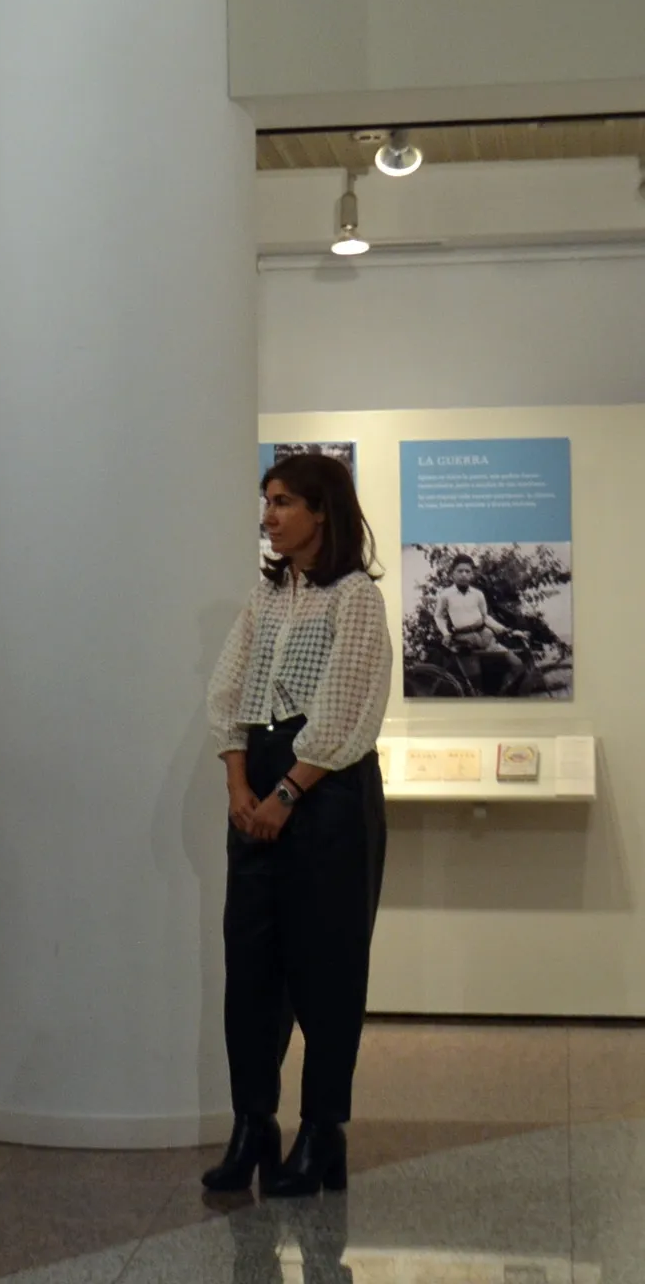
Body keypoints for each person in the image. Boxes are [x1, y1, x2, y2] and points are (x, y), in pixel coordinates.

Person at [205, 452, 393, 1199]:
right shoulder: (267, 596)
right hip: (256, 789)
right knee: (250, 972)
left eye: (283, 501)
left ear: (322, 511)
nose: (269, 515)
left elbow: (345, 708)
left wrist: (285, 794)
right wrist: (237, 785)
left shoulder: (354, 598)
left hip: (327, 797)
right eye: (267, 501)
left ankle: (322, 1133)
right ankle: (253, 1125)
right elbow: (228, 692)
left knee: (326, 970)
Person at [430, 555, 519, 694]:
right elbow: (439, 616)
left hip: (485, 637)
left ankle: (504, 696)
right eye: (460, 571)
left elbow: (485, 617)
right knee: (476, 685)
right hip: (465, 642)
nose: (464, 575)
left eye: (467, 571)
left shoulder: (478, 594)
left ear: (472, 574)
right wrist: (446, 633)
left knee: (516, 664)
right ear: (452, 573)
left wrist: (504, 630)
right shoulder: (446, 595)